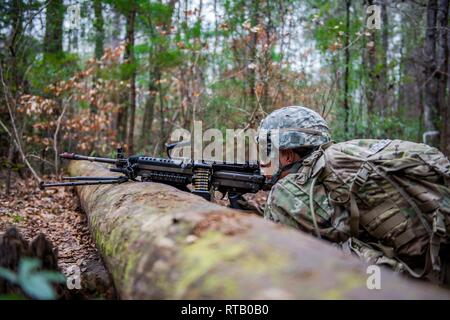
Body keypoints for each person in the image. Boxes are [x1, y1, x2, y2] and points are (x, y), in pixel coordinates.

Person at [253, 105, 450, 284]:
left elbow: (274, 258)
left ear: (287, 154)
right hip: (437, 257)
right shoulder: (343, 160)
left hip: (407, 284)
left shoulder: (288, 192)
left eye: (267, 151)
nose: (263, 160)